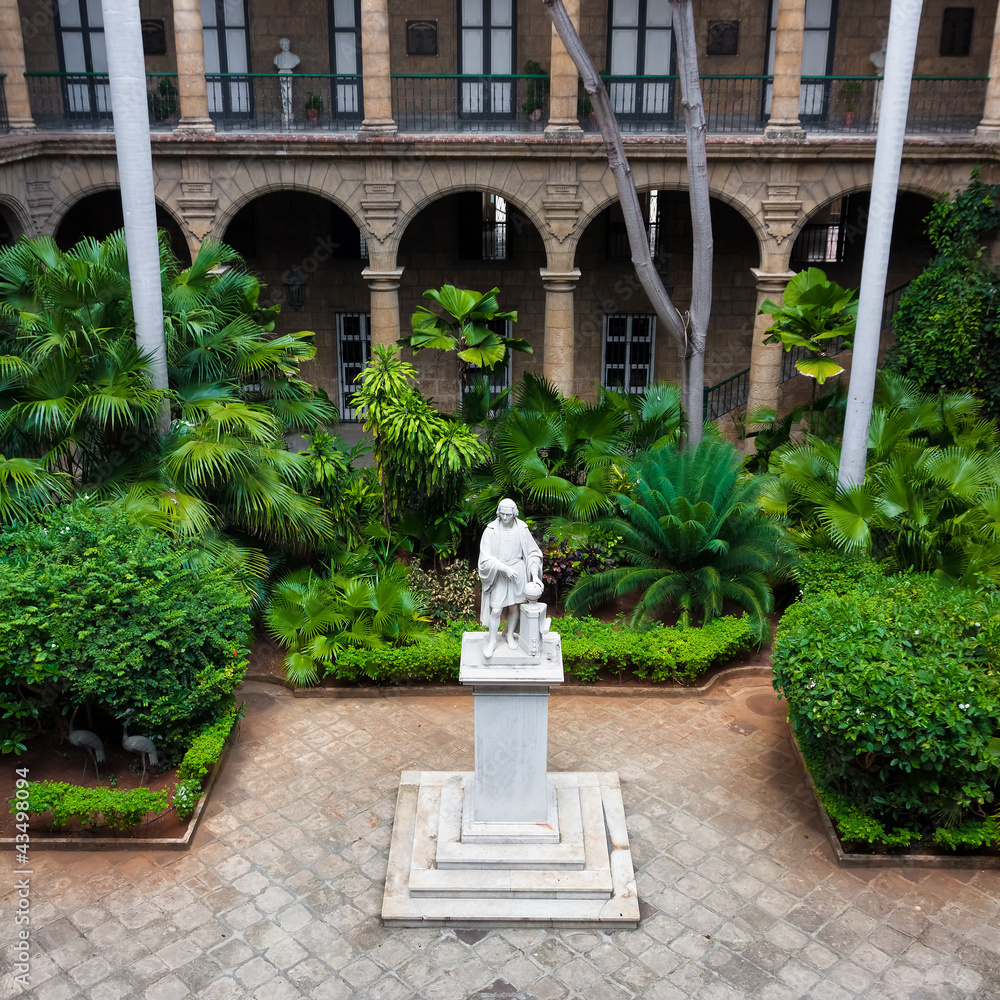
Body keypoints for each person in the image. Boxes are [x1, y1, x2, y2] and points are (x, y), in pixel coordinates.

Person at [478, 498, 542, 658]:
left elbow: (533, 552)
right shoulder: (491, 530)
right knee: (497, 609)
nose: (505, 518)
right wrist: (504, 568)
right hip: (500, 573)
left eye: (508, 514)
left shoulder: (522, 528)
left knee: (515, 607)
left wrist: (534, 575)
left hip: (518, 572)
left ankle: (509, 634)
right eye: (502, 514)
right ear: (498, 513)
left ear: (514, 513)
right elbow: (485, 559)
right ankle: (492, 641)